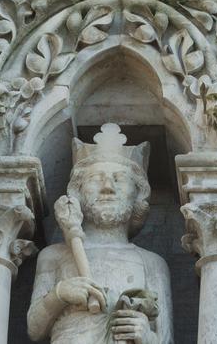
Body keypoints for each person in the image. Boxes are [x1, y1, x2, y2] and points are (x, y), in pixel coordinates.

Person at [27, 124, 173, 344]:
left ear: (137, 195)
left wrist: (147, 336)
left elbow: (166, 339)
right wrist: (60, 294)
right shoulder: (54, 255)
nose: (107, 187)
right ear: (78, 192)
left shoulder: (152, 263)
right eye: (95, 178)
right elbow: (34, 329)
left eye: (119, 179)